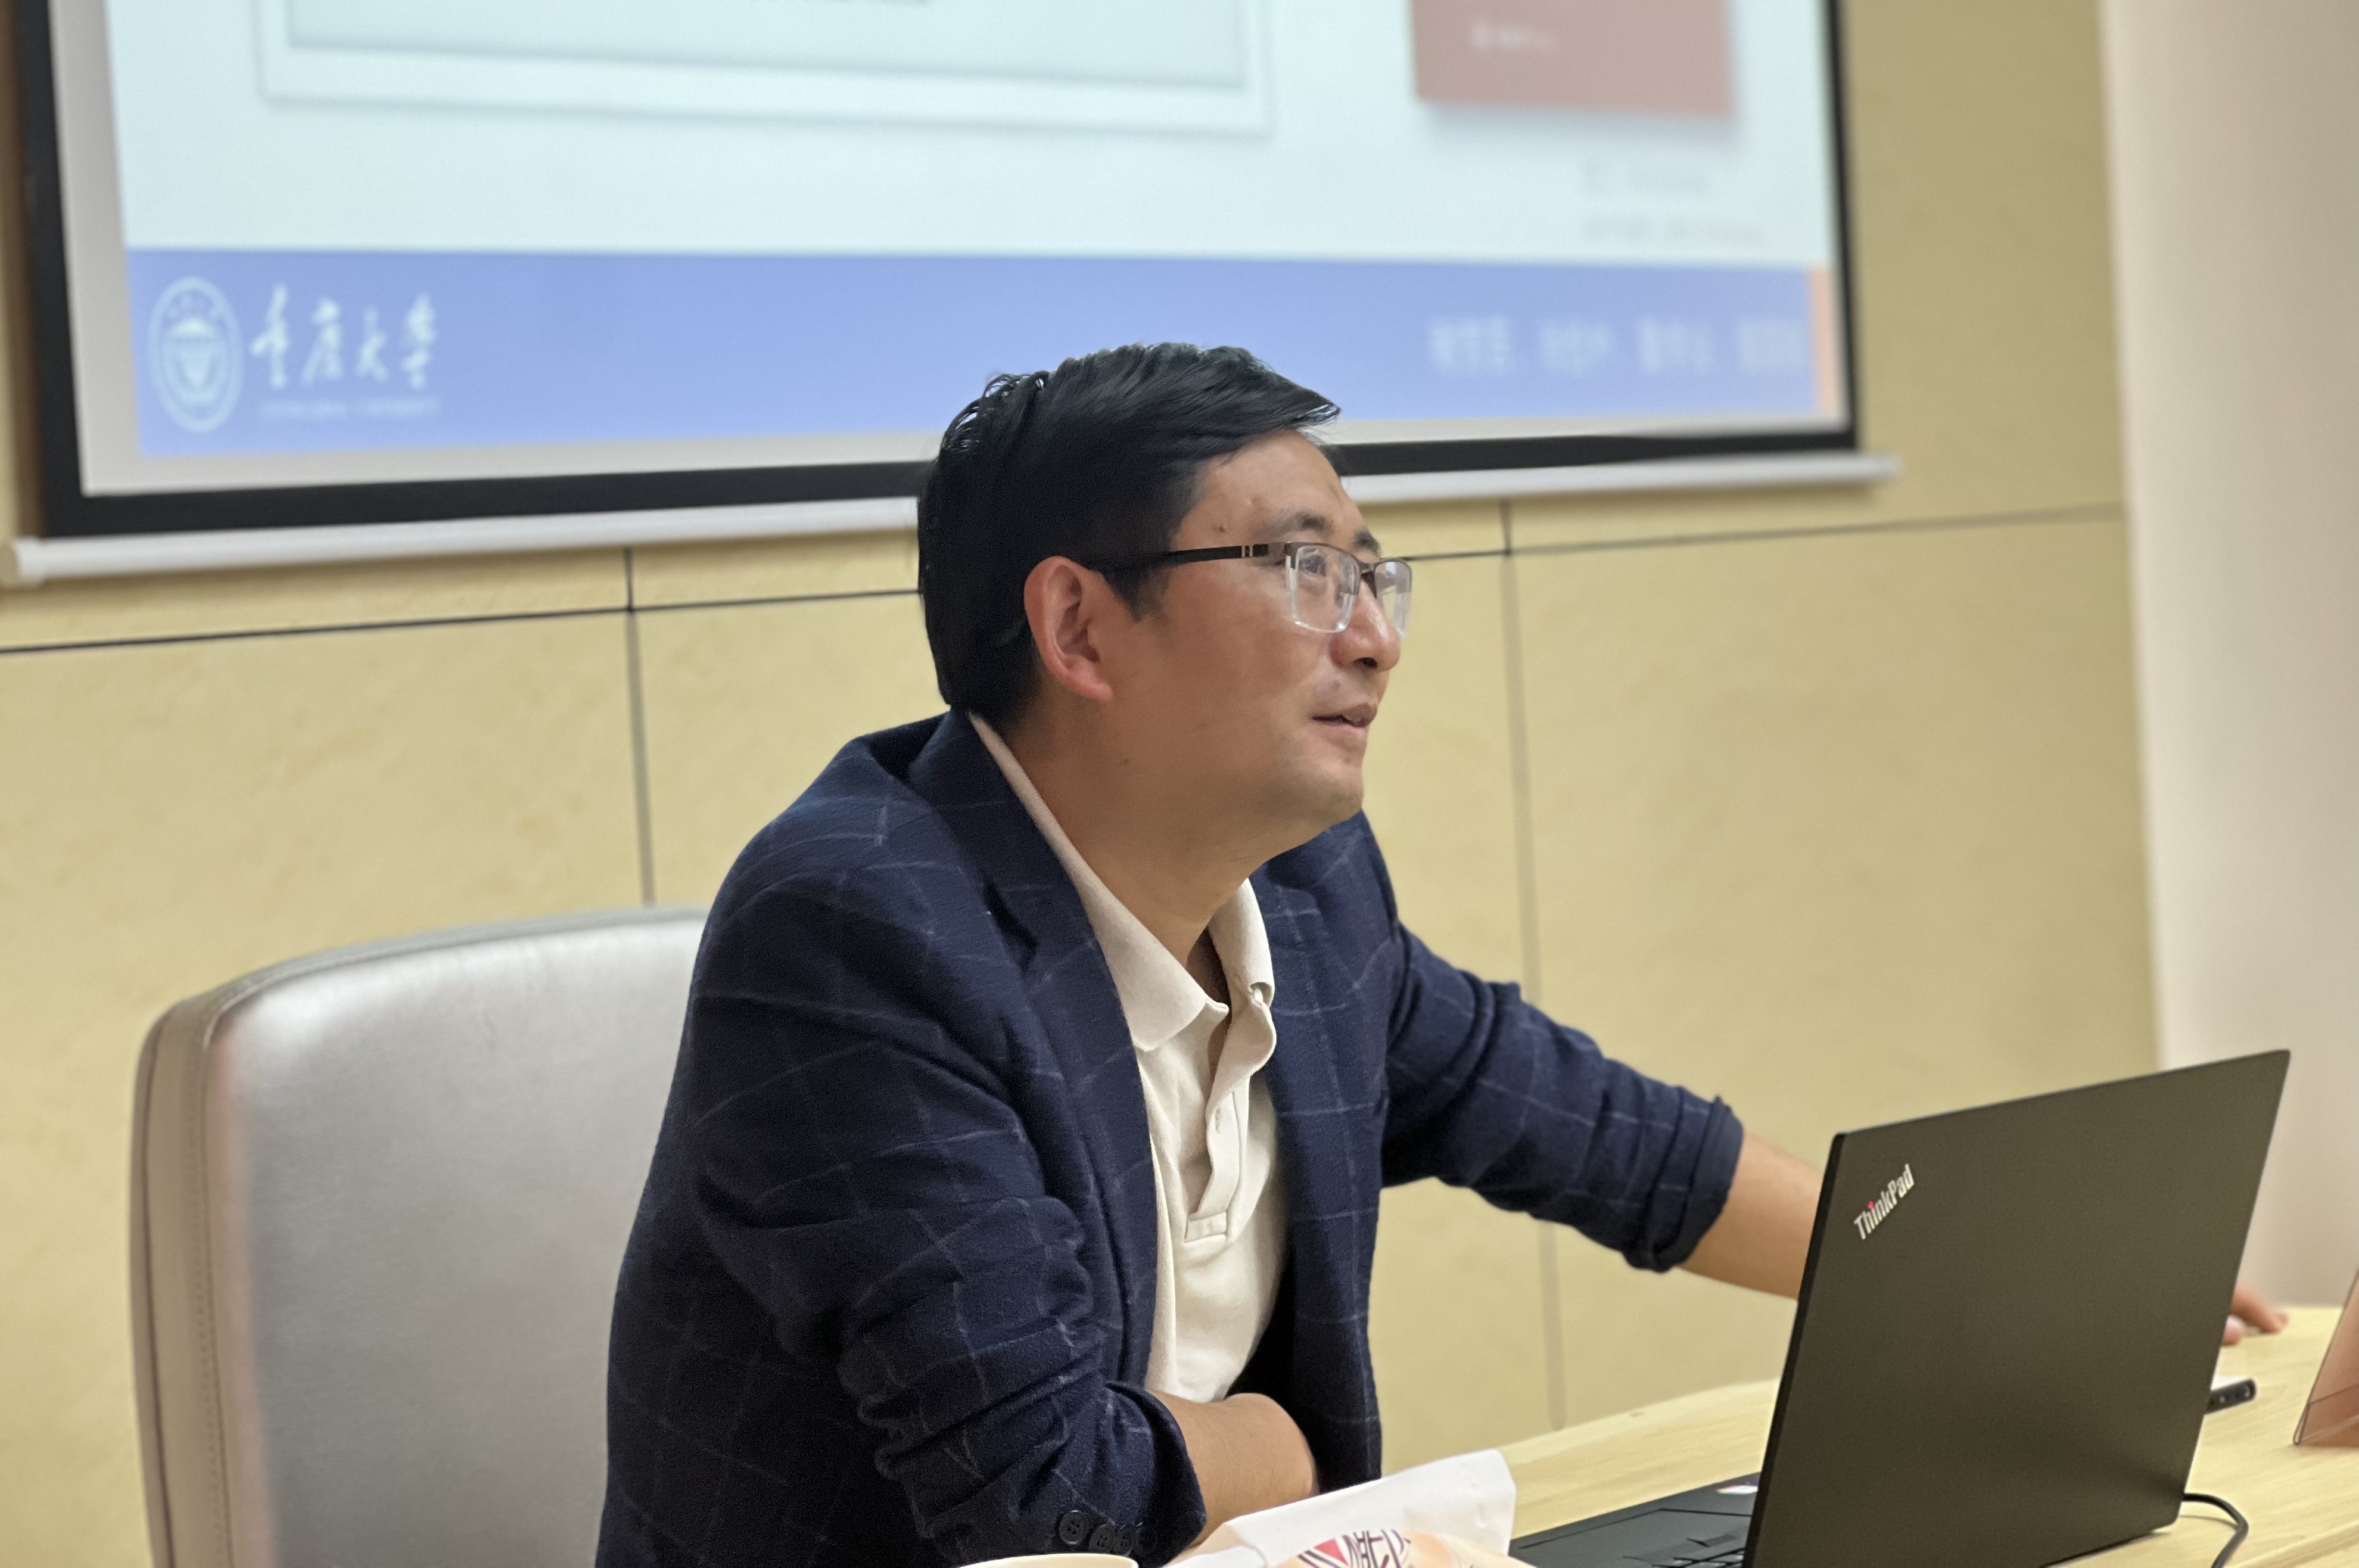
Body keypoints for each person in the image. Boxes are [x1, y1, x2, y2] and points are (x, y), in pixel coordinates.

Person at [597, 344, 2278, 1568]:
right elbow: (1042, 1502)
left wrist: (1998, 1295)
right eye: (1303, 569)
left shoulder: (1309, 892)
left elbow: (1606, 1141)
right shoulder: (858, 932)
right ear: (1079, 625)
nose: (1375, 637)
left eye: (1375, 575)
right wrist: (1284, 1446)